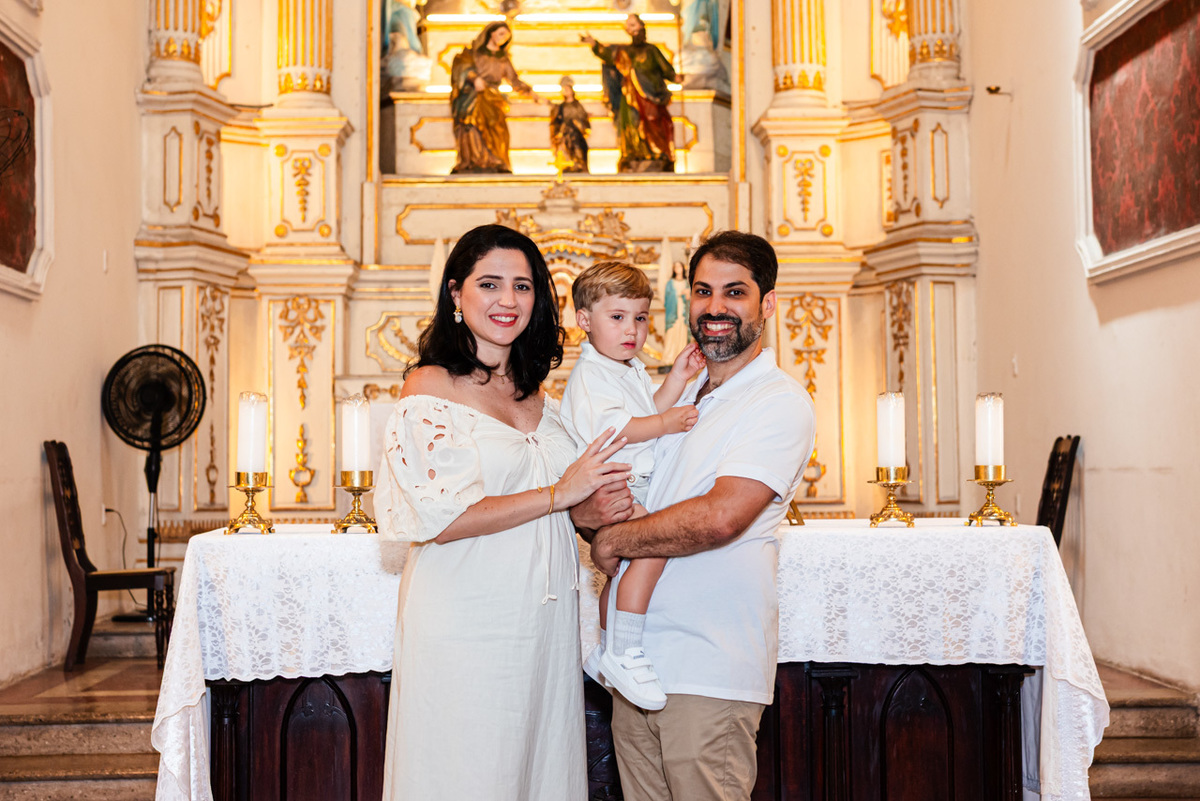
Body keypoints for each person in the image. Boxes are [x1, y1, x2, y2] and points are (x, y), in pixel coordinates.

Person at [376, 224, 632, 801]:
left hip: (544, 622)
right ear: (455, 292)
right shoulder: (430, 385)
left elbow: (568, 504)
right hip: (467, 615)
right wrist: (561, 493)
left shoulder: (540, 393)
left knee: (537, 770)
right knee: (470, 772)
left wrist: (595, 506)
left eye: (522, 285)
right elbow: (442, 519)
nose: (508, 300)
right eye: (489, 284)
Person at [576, 230, 817, 801]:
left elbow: (720, 518)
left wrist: (614, 540)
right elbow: (614, 490)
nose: (715, 306)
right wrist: (590, 515)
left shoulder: (777, 401)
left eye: (735, 292)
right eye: (704, 291)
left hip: (710, 666)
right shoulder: (682, 397)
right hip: (635, 666)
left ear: (768, 303)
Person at [559, 262, 704, 711]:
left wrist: (676, 378)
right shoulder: (591, 375)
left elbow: (645, 410)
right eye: (618, 317)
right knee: (653, 546)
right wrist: (667, 423)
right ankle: (624, 651)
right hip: (614, 486)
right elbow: (619, 428)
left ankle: (606, 649)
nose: (632, 330)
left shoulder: (625, 368)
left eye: (640, 318)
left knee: (623, 569)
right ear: (584, 320)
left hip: (632, 484)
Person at [581, 15, 676, 173]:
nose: (631, 29)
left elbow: (666, 68)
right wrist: (594, 44)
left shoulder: (651, 50)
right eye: (629, 26)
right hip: (630, 95)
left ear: (641, 26)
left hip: (651, 94)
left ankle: (658, 152)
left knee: (653, 121)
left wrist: (675, 77)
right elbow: (609, 55)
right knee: (631, 122)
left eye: (633, 25)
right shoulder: (625, 51)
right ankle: (633, 154)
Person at [450, 22, 538, 174]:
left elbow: (514, 80)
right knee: (471, 125)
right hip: (472, 97)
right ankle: (473, 160)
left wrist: (530, 92)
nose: (503, 38)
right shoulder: (473, 53)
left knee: (498, 129)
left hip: (493, 98)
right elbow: (461, 67)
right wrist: (474, 78)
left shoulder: (502, 58)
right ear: (491, 33)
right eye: (501, 34)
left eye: (506, 37)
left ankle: (495, 160)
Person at [550, 75, 591, 173]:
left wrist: (579, 124)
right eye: (564, 89)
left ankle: (578, 165)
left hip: (576, 136)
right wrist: (559, 132)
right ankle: (568, 166)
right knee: (565, 151)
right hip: (565, 136)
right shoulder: (561, 107)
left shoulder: (577, 106)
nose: (566, 91)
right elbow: (556, 123)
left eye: (567, 89)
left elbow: (584, 122)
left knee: (578, 149)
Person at [661, 260, 691, 362]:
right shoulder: (670, 283)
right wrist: (678, 294)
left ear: (683, 268)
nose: (678, 269)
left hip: (683, 312)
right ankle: (669, 357)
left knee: (682, 332)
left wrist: (687, 295)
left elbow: (690, 298)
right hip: (673, 312)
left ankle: (680, 357)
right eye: (676, 267)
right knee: (671, 333)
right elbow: (667, 298)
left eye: (679, 267)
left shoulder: (686, 283)